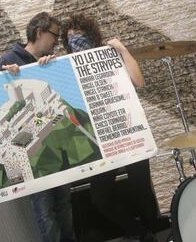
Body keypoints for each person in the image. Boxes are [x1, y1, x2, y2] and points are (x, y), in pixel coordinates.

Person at [61, 14, 159, 242]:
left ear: (91, 35)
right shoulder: (67, 66)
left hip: (128, 131)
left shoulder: (111, 54)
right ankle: (136, 232)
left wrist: (123, 50)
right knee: (100, 197)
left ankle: (152, 233)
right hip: (101, 139)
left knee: (141, 188)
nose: (75, 40)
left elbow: (139, 81)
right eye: (70, 37)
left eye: (79, 35)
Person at [0, 12, 76, 242]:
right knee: (44, 210)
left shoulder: (50, 61)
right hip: (31, 153)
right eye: (54, 36)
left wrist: (52, 70)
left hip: (55, 145)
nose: (56, 42)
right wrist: (6, 80)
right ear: (39, 33)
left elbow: (63, 98)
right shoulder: (8, 60)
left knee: (64, 203)